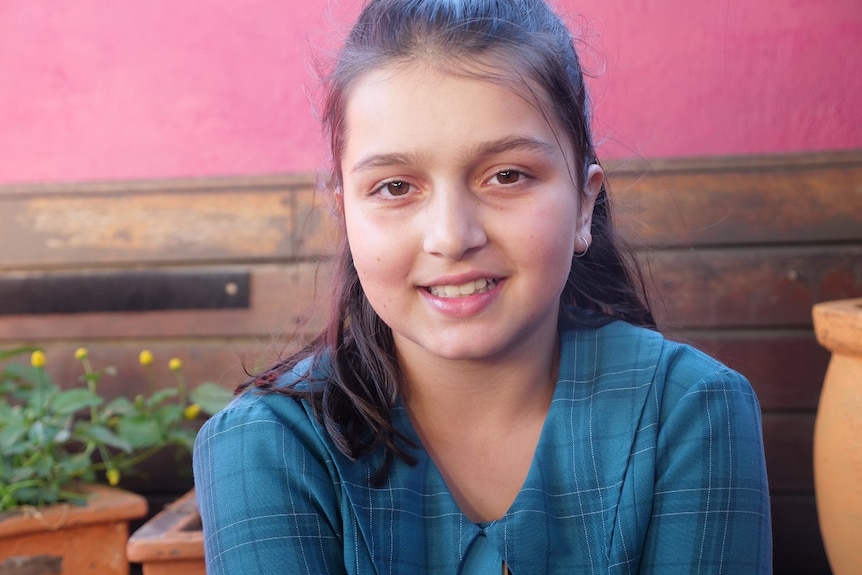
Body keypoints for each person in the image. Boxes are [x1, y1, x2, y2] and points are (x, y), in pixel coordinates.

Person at [192, 0, 773, 572]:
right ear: (346, 216)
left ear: (582, 206)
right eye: (396, 187)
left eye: (507, 175)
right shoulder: (267, 447)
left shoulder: (688, 409)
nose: (451, 236)